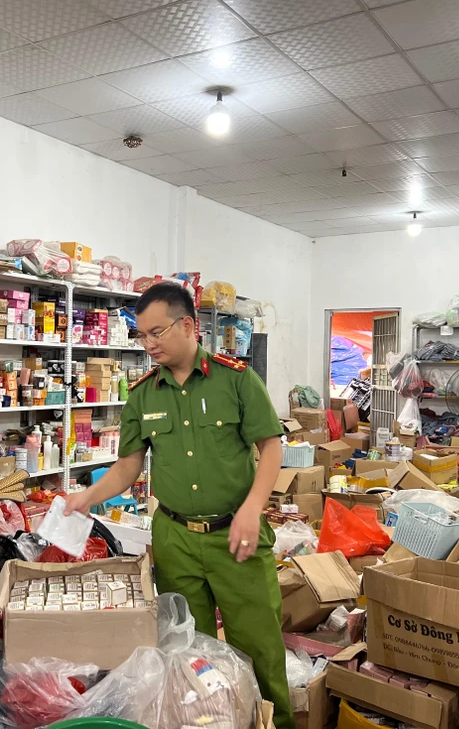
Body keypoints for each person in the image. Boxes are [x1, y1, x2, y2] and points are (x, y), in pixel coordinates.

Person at [65, 282, 293, 726]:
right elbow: (128, 466)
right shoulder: (143, 393)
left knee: (260, 649)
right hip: (175, 540)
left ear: (188, 325)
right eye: (142, 336)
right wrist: (86, 497)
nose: (149, 344)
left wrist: (252, 509)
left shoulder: (236, 380)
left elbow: (271, 448)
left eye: (157, 332)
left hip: (236, 535)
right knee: (188, 654)